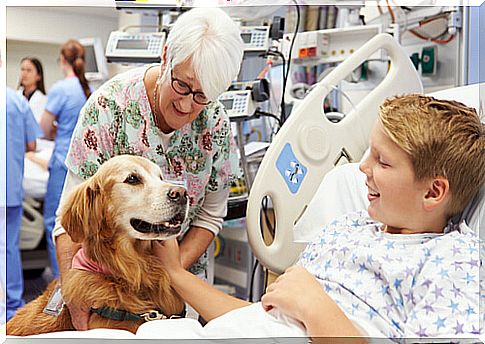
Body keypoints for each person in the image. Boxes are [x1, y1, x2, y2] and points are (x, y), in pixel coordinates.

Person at [154, 94, 484, 339]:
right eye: (369, 153)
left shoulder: (452, 259)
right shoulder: (347, 229)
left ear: (433, 192)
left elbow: (299, 313)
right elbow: (264, 318)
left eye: (382, 161)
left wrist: (315, 308)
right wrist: (174, 272)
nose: (363, 168)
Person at [52, 7, 244, 330]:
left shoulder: (217, 127)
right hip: (106, 293)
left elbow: (211, 216)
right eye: (182, 86)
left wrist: (169, 276)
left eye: (201, 97)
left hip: (179, 291)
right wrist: (76, 300)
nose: (186, 106)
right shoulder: (107, 109)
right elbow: (71, 220)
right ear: (166, 55)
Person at [40, 39, 92, 279]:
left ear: (62, 60)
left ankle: (61, 283)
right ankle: (80, 278)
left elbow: (44, 127)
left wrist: (56, 131)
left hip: (62, 162)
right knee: (80, 225)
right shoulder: (87, 89)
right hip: (84, 164)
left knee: (57, 224)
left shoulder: (61, 89)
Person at [5, 87, 42, 321]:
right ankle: (11, 304)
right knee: (8, 247)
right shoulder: (16, 101)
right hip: (9, 186)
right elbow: (32, 145)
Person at [17, 57, 48, 123]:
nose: (24, 73)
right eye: (22, 69)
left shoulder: (44, 101)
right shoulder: (15, 96)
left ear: (38, 76)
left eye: (29, 70)